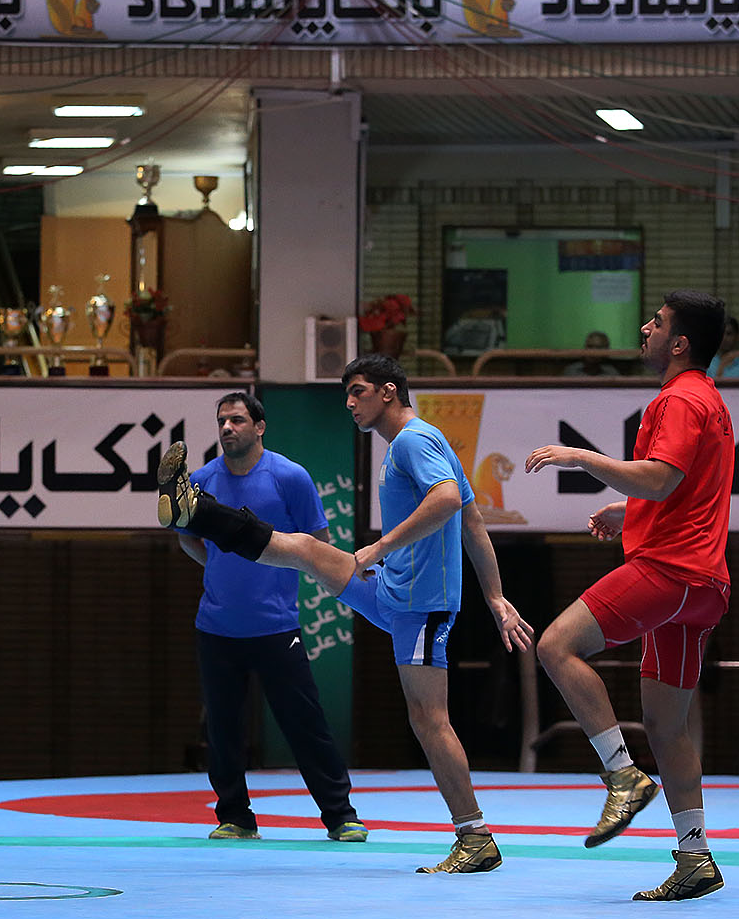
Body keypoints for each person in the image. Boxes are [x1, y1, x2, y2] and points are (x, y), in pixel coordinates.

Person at [158, 354, 533, 874]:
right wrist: (494, 596)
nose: (350, 404)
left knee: (429, 720)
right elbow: (473, 519)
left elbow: (448, 500)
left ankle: (475, 836)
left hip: (419, 607)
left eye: (358, 392)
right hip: (394, 593)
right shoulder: (421, 441)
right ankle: (197, 509)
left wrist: (380, 547)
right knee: (308, 551)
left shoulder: (413, 441)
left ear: (388, 391)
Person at [525, 289, 734, 902]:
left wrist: (579, 457)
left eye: (657, 323)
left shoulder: (679, 398)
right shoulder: (710, 399)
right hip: (704, 585)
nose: (645, 328)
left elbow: (661, 477)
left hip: (670, 572)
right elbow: (684, 488)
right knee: (667, 726)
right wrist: (631, 510)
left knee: (555, 646)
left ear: (680, 343)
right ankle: (695, 859)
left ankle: (622, 774)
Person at [175, 392, 366, 843]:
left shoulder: (289, 477)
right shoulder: (201, 481)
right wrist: (218, 566)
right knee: (223, 729)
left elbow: (317, 544)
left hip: (276, 627)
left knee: (305, 725)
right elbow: (187, 537)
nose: (227, 428)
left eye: (237, 420)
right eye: (222, 421)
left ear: (259, 427)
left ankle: (341, 816)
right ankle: (235, 818)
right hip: (216, 629)